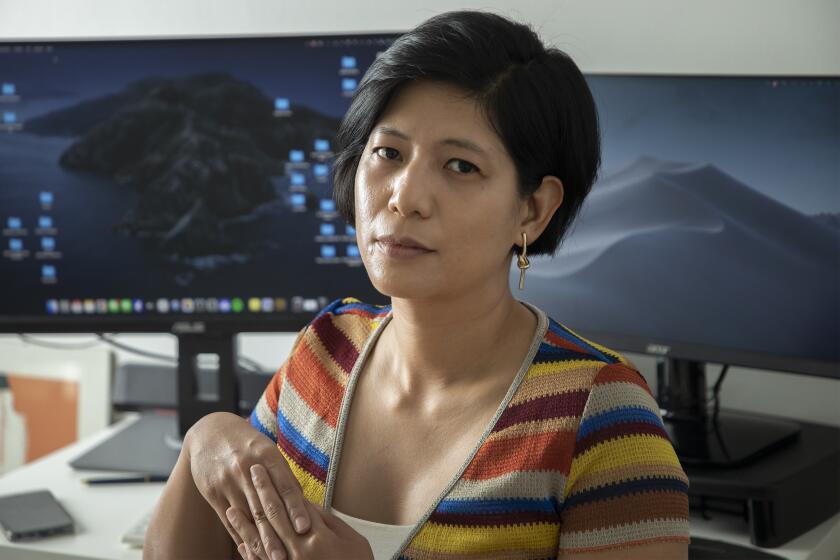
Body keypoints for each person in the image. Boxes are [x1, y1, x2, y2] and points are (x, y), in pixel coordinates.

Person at [144, 10, 690, 560]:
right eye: (389, 153)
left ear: (532, 209)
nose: (405, 197)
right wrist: (204, 439)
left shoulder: (604, 417)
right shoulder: (326, 350)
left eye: (459, 166)